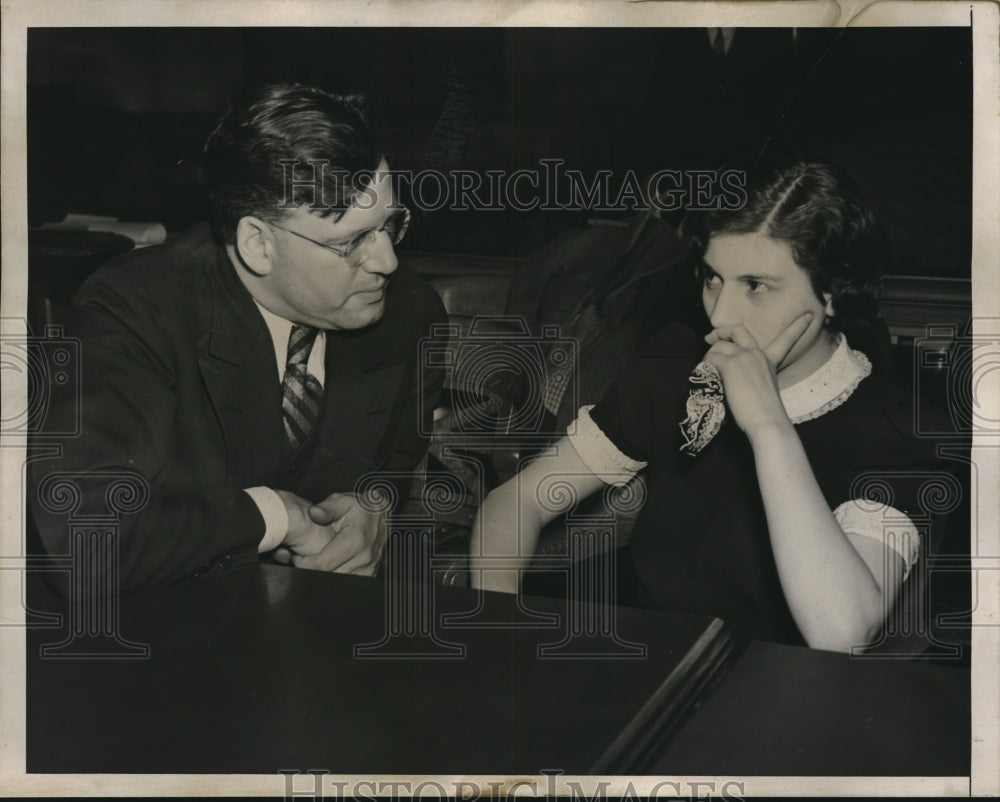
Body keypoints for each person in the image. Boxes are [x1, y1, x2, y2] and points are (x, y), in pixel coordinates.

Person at [471, 161, 945, 653]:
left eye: (756, 286)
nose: (720, 314)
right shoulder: (675, 367)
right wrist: (499, 631)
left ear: (831, 294)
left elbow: (840, 633)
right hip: (654, 676)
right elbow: (516, 502)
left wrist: (767, 425)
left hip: (784, 704)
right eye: (713, 279)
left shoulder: (898, 431)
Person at [29, 83, 447, 592]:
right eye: (352, 240)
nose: (386, 261)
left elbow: (397, 458)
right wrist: (277, 515)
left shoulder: (409, 310)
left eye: (390, 224)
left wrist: (375, 508)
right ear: (258, 243)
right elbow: (85, 539)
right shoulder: (134, 308)